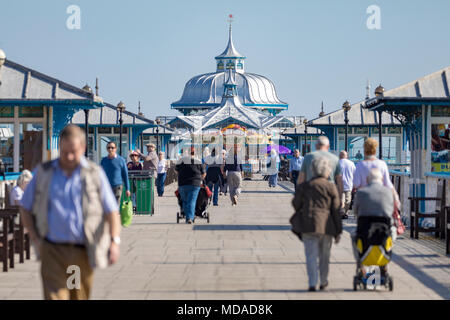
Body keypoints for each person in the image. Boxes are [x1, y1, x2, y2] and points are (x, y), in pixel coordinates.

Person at [19, 125, 121, 300]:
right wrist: (35, 238)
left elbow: (111, 210)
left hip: (82, 251)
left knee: (78, 297)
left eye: (73, 151)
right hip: (52, 250)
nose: (69, 156)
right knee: (55, 297)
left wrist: (114, 242)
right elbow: (25, 206)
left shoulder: (94, 173)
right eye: (65, 151)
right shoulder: (44, 172)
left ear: (82, 147)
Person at [291, 157, 342, 292]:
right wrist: (338, 231)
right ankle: (323, 280)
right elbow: (336, 210)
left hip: (308, 224)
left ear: (312, 170)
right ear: (327, 171)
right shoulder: (331, 187)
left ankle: (313, 282)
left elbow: (296, 204)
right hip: (327, 226)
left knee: (311, 255)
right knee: (325, 256)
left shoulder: (305, 186)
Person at [352, 168, 396, 275]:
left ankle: (360, 263)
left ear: (367, 180)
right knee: (393, 232)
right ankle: (385, 260)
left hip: (365, 229)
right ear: (381, 179)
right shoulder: (388, 192)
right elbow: (391, 210)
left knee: (353, 235)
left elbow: (355, 211)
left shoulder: (361, 192)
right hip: (384, 229)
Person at [175, 146, 206, 224]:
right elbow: (204, 173)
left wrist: (181, 175)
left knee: (185, 201)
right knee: (192, 201)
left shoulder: (181, 160)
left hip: (182, 183)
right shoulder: (198, 161)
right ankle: (189, 218)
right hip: (195, 184)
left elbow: (176, 170)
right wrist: (201, 179)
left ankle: (187, 216)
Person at [339, 151, 355, 219]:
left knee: (341, 200)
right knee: (347, 201)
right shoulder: (351, 163)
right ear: (346, 156)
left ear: (340, 156)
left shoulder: (337, 163)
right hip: (349, 185)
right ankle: (345, 213)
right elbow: (355, 174)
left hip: (339, 185)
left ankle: (341, 213)